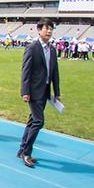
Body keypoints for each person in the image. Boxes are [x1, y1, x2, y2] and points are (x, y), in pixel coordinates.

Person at [17, 18, 61, 168]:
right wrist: (25, 91)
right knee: (38, 121)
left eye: (51, 29)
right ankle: (26, 153)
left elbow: (55, 72)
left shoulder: (52, 49)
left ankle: (22, 149)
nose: (49, 31)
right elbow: (26, 71)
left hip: (45, 91)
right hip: (33, 91)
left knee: (32, 121)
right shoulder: (32, 47)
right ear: (39, 30)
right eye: (46, 28)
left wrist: (57, 92)